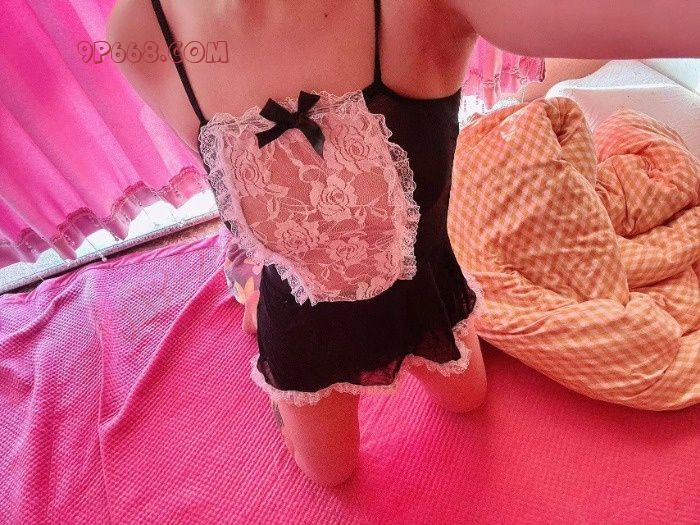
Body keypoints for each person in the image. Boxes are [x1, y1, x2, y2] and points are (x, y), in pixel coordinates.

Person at [107, 0, 699, 487]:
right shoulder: (141, 31)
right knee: (330, 474)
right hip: (304, 327)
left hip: (426, 295)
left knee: (468, 401)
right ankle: (262, 300)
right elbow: (240, 186)